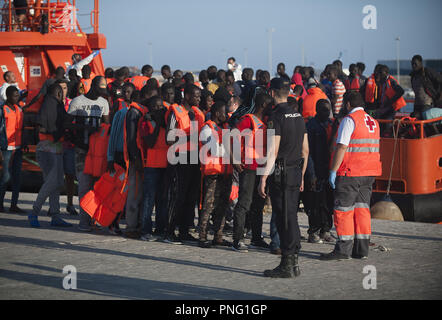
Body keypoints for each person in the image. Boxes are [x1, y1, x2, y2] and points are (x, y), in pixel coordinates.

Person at [258, 77, 309, 278]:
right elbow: (305, 150)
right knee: (292, 217)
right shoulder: (298, 115)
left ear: (271, 94)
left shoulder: (276, 116)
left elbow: (273, 150)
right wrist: (302, 175)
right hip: (296, 171)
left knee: (283, 218)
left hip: (281, 173)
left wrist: (263, 177)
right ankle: (293, 263)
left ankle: (287, 264)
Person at [322, 91, 382, 260]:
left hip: (350, 173)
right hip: (369, 173)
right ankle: (361, 250)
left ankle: (343, 250)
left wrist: (333, 170)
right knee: (362, 210)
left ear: (348, 104)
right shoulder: (373, 122)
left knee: (344, 211)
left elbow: (341, 147)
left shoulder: (349, 120)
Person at [230, 92, 271, 253]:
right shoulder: (248, 120)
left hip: (260, 167)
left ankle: (256, 238)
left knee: (258, 205)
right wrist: (234, 159)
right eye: (269, 106)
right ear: (263, 105)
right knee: (244, 204)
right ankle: (237, 239)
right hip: (248, 168)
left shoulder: (264, 122)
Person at [68, 76, 110, 232]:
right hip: (82, 150)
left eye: (104, 89)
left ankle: (93, 219)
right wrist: (85, 128)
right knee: (84, 186)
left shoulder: (103, 103)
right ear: (92, 86)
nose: (102, 91)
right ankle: (84, 222)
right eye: (100, 88)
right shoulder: (77, 102)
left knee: (97, 187)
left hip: (98, 152)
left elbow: (107, 124)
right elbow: (67, 123)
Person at [164, 84, 205, 244]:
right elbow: (169, 138)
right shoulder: (176, 112)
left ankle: (184, 231)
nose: (198, 99)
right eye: (196, 96)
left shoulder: (198, 113)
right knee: (177, 196)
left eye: (199, 96)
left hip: (195, 158)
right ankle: (169, 232)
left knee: (191, 196)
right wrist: (190, 137)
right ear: (187, 96)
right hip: (179, 157)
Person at [28, 83, 73, 228]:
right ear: (59, 94)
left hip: (53, 149)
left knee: (56, 183)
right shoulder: (52, 105)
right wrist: (55, 134)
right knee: (52, 182)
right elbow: (43, 126)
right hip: (49, 150)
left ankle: (55, 215)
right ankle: (34, 212)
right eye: (62, 91)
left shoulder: (53, 105)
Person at [198, 101, 233, 248]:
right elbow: (215, 150)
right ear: (218, 113)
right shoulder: (207, 129)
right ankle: (203, 236)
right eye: (225, 112)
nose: (228, 115)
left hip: (225, 173)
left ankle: (218, 236)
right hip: (212, 174)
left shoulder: (225, 128)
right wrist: (231, 150)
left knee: (223, 205)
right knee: (208, 205)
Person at [304, 99, 335, 244]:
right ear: (317, 110)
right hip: (316, 169)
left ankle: (326, 229)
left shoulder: (331, 125)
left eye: (328, 109)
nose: (327, 112)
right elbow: (307, 152)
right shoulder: (311, 126)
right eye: (323, 109)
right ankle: (314, 231)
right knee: (314, 203)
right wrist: (311, 174)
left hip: (328, 170)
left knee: (328, 203)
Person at [139, 96, 169, 240]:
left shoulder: (165, 122)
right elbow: (150, 142)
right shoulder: (146, 122)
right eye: (155, 107)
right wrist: (157, 124)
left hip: (166, 165)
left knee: (163, 200)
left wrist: (163, 123)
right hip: (151, 165)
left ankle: (160, 229)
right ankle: (145, 230)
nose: (158, 109)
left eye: (160, 107)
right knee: (149, 199)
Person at [123, 92, 150, 239]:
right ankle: (131, 227)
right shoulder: (134, 112)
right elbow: (131, 139)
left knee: (139, 194)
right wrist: (136, 159)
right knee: (134, 194)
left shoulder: (140, 111)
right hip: (136, 160)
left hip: (142, 159)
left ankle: (136, 225)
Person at [0, 86, 26, 213]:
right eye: (14, 96)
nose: (17, 98)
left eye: (18, 95)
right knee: (5, 177)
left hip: (18, 147)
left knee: (17, 177)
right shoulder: (2, 109)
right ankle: (0, 204)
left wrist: (24, 143)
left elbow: (22, 128)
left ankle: (13, 205)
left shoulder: (19, 109)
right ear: (8, 96)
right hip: (6, 148)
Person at [56, 79, 78, 216]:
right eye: (60, 88)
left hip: (70, 145)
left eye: (64, 88)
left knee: (70, 176)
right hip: (56, 144)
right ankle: (54, 204)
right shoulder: (52, 104)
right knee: (55, 177)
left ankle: (70, 204)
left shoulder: (72, 103)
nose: (62, 91)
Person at [410, 55, 442, 120]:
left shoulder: (427, 72)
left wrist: (440, 95)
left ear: (421, 63)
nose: (413, 66)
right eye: (412, 64)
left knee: (427, 122)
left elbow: (440, 80)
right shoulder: (413, 75)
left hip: (427, 103)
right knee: (414, 121)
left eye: (415, 64)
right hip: (417, 104)